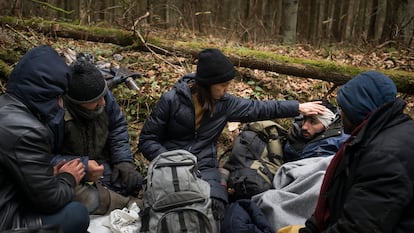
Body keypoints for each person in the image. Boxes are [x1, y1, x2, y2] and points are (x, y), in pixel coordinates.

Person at [138, 48, 326, 225]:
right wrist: (171, 162)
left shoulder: (225, 104)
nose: (227, 89)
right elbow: (147, 140)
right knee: (171, 207)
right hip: (168, 165)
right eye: (223, 85)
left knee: (218, 207)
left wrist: (297, 107)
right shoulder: (171, 100)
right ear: (207, 84)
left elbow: (258, 108)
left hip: (204, 166)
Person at [279, 71, 414, 233]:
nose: (340, 115)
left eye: (343, 109)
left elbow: (358, 227)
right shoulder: (376, 134)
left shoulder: (385, 157)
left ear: (357, 110)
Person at [0, 45, 89, 233]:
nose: (61, 103)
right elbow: (50, 201)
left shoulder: (5, 107)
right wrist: (68, 178)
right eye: (58, 95)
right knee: (77, 213)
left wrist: (49, 174)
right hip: (5, 221)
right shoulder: (29, 131)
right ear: (44, 93)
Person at [51, 60, 143, 215]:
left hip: (103, 164)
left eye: (104, 95)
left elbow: (117, 127)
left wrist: (123, 161)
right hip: (70, 172)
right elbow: (42, 159)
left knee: (133, 182)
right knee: (90, 199)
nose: (103, 102)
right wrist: (84, 166)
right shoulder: (55, 112)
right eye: (96, 101)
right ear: (77, 103)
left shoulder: (101, 94)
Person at [283, 100, 349, 162]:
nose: (304, 127)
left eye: (312, 122)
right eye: (305, 119)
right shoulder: (294, 134)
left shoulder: (342, 143)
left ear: (328, 124)